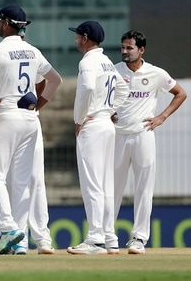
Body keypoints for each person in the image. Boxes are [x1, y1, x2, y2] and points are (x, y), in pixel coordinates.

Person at [0, 5, 62, 255]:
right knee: (23, 181)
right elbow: (56, 80)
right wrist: (39, 105)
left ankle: (9, 229)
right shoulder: (33, 51)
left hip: (6, 114)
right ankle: (20, 242)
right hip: (29, 117)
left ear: (6, 23)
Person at [113, 30, 187, 254]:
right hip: (117, 135)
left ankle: (139, 239)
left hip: (144, 134)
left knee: (144, 188)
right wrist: (107, 113)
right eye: (123, 47)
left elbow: (180, 93)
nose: (125, 51)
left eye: (130, 48)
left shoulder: (155, 73)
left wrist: (161, 117)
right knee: (112, 188)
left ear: (141, 50)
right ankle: (106, 235)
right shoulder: (115, 71)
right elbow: (100, 96)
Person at [67, 21, 129, 255]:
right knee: (105, 184)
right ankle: (110, 237)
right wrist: (110, 110)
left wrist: (79, 119)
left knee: (92, 183)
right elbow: (123, 89)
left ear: (85, 38)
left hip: (92, 125)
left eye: (77, 36)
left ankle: (95, 239)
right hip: (106, 124)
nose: (75, 40)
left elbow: (88, 88)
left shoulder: (88, 61)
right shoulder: (107, 62)